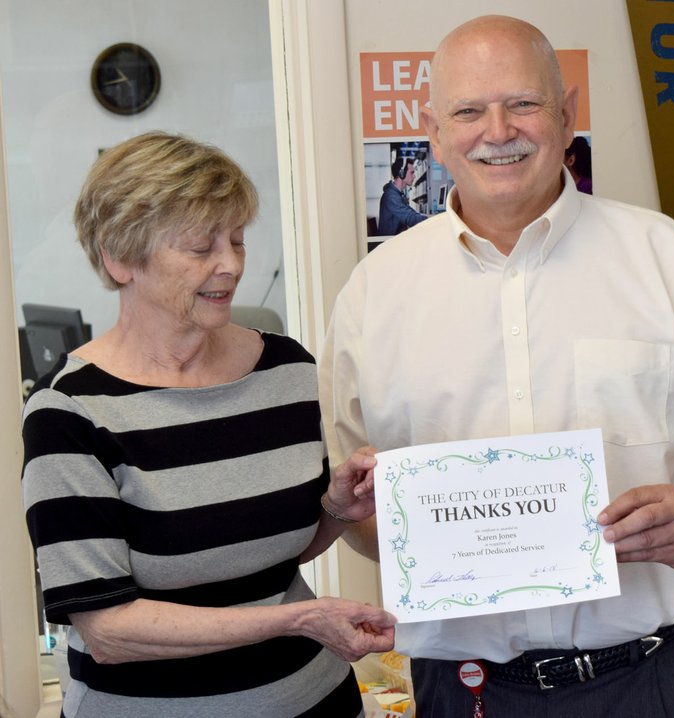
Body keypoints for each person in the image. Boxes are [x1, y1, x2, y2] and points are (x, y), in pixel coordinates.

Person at [319, 15, 674, 718]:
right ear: (436, 131)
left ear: (566, 115)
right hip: (470, 691)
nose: (498, 129)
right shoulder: (373, 294)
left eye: (524, 104)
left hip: (668, 675)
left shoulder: (669, 260)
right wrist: (359, 516)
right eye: (469, 110)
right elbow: (359, 508)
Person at [21, 131, 395, 718]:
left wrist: (335, 508)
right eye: (200, 247)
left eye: (238, 239)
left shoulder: (286, 368)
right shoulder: (69, 412)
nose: (232, 264)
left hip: (316, 700)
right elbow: (109, 632)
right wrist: (300, 619)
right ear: (120, 258)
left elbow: (276, 554)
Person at [377, 156, 428, 235]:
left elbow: (412, 213)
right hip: (391, 242)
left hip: (397, 238)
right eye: (411, 172)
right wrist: (433, 220)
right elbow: (410, 218)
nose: (414, 176)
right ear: (402, 173)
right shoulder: (390, 196)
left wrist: (431, 218)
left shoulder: (398, 194)